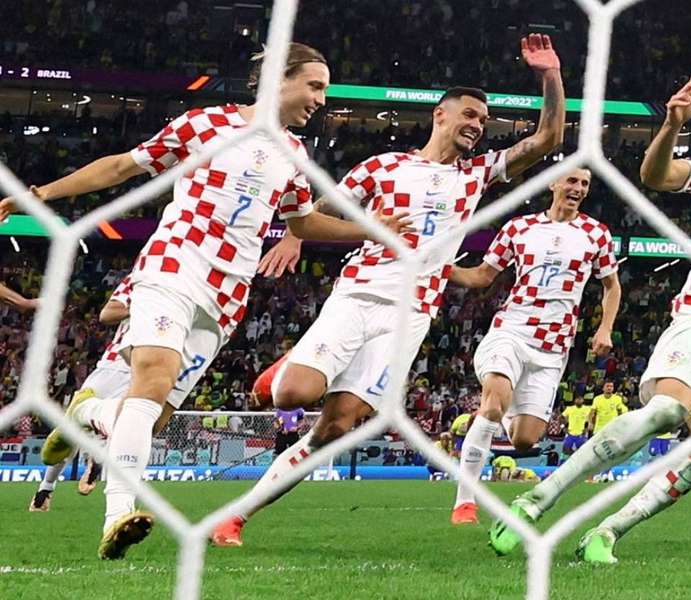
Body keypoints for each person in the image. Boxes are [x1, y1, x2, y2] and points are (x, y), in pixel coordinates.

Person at [4, 42, 403, 560]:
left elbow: (301, 221)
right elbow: (124, 166)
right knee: (153, 379)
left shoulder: (296, 154)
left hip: (228, 294)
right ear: (279, 78)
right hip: (175, 263)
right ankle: (118, 513)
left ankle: (91, 414)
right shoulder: (205, 125)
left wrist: (368, 229)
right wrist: (42, 194)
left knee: (153, 414)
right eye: (315, 86)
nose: (321, 100)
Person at [210, 33, 567, 548]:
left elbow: (547, 139)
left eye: (483, 122)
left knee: (335, 429)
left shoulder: (475, 176)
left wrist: (549, 76)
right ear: (440, 116)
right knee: (293, 394)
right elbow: (321, 210)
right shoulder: (382, 167)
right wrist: (291, 237)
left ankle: (234, 519)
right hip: (358, 295)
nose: (476, 126)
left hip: (410, 316)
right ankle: (281, 373)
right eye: (468, 115)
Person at [488, 68, 691, 563]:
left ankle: (610, 530)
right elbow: (656, 176)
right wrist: (671, 126)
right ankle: (537, 499)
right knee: (668, 412)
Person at [449, 166, 621, 525]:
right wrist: (440, 268)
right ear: (554, 183)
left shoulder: (596, 234)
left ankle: (503, 412)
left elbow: (611, 286)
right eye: (572, 180)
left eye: (585, 184)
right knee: (492, 404)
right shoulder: (518, 228)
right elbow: (483, 275)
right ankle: (465, 503)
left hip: (554, 346)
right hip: (512, 330)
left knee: (525, 439)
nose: (578, 188)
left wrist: (605, 328)